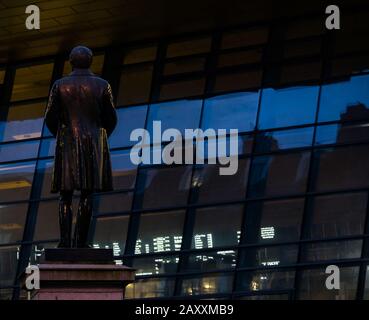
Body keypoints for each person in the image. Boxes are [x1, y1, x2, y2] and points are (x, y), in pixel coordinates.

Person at [45, 46, 117, 248]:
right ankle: (81, 242)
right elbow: (111, 118)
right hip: (92, 143)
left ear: (71, 61)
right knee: (87, 193)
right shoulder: (102, 85)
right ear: (90, 61)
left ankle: (65, 242)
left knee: (65, 194)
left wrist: (62, 136)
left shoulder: (59, 85)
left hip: (67, 143)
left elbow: (50, 117)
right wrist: (98, 137)